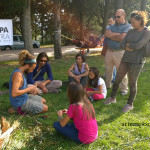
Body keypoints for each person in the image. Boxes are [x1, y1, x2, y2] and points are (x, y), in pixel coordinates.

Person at [104, 11, 150, 112]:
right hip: (125, 59)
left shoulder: (147, 32)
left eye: (133, 22)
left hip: (137, 61)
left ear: (140, 20)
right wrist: (131, 47)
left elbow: (139, 45)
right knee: (117, 79)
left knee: (132, 83)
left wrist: (130, 46)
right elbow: (122, 44)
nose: (131, 24)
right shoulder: (130, 31)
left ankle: (130, 104)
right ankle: (112, 97)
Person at [8, 50, 48, 114]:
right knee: (45, 108)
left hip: (24, 97)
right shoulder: (18, 75)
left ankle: (22, 107)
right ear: (27, 66)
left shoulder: (21, 72)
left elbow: (21, 88)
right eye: (32, 69)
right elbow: (14, 93)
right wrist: (28, 89)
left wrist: (31, 90)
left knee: (43, 101)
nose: (31, 71)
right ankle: (17, 109)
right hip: (20, 103)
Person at [104, 9, 132, 95]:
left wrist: (112, 35)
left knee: (121, 71)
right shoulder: (112, 26)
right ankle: (107, 86)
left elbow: (122, 38)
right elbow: (106, 34)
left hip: (120, 52)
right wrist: (117, 35)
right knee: (108, 70)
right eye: (115, 17)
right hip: (109, 51)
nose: (116, 19)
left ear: (124, 15)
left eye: (118, 17)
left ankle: (124, 89)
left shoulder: (128, 26)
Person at [101, 16, 116, 83]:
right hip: (107, 47)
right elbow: (106, 36)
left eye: (111, 21)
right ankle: (109, 77)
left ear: (114, 21)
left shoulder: (116, 28)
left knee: (114, 64)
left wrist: (109, 35)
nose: (109, 23)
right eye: (108, 21)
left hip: (114, 48)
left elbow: (111, 36)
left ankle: (113, 78)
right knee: (109, 64)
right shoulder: (108, 27)